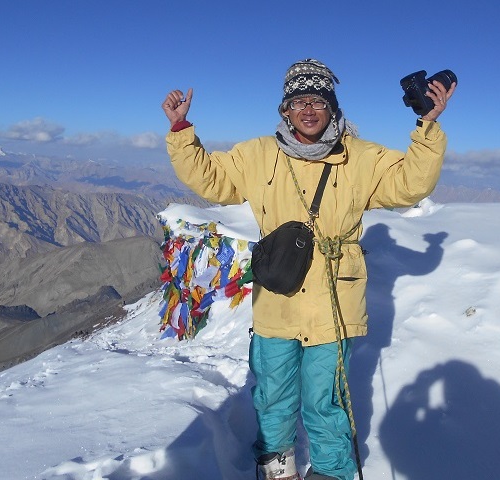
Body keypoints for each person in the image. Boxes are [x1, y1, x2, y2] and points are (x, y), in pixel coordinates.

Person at [162, 59, 454, 480]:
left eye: (318, 100)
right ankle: (278, 465)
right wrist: (180, 131)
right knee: (273, 393)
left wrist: (427, 125)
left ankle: (333, 471)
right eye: (299, 101)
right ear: (285, 109)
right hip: (277, 295)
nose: (309, 110)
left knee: (326, 398)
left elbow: (410, 184)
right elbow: (212, 179)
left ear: (332, 106)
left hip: (334, 301)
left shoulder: (362, 158)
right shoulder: (257, 155)